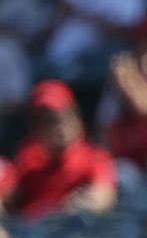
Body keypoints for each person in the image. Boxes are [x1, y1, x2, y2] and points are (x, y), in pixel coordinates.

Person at [5, 80, 117, 219]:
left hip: (74, 236)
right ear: (35, 128)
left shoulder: (94, 157)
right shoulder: (27, 157)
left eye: (64, 117)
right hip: (30, 234)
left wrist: (73, 206)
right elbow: (10, 197)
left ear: (76, 118)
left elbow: (102, 197)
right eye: (49, 120)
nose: (60, 127)